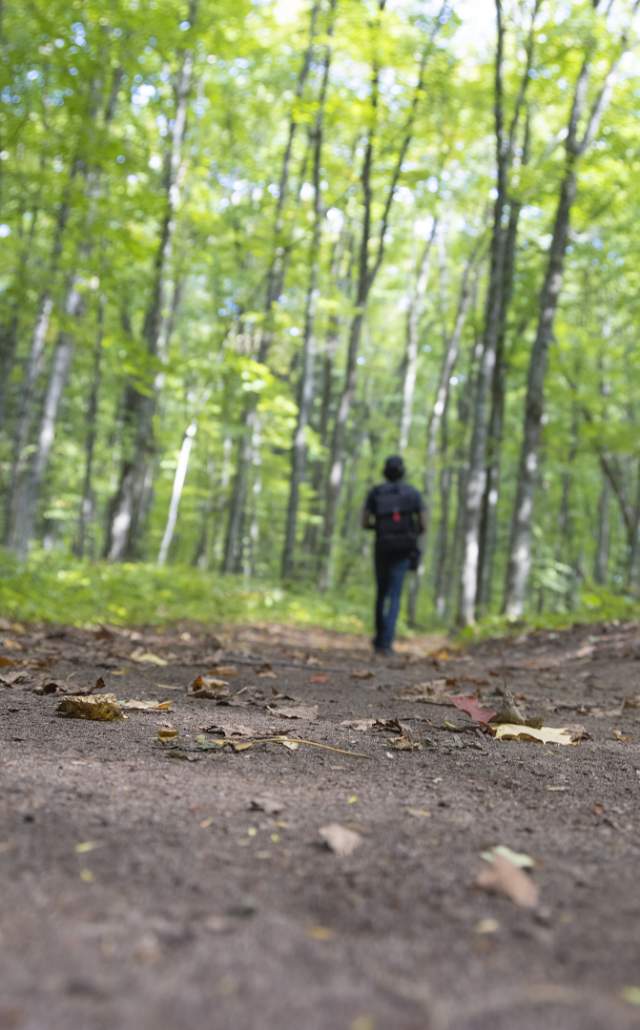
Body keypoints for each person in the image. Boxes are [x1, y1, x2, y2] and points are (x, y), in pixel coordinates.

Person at [362, 455, 425, 656]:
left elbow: (364, 522)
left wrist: (379, 527)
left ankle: (380, 639)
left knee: (381, 593)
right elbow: (424, 524)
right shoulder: (413, 493)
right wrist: (411, 533)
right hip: (404, 549)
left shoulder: (376, 492)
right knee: (395, 595)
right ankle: (387, 642)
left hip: (382, 546)